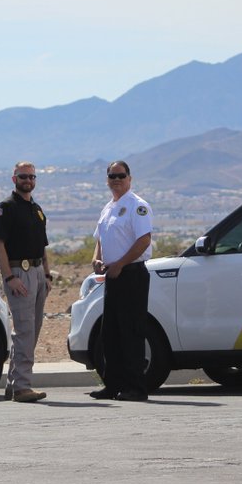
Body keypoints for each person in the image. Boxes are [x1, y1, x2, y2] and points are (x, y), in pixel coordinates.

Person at [89, 160, 153, 402]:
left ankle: (135, 387)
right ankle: (112, 384)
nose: (116, 180)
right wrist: (97, 258)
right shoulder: (108, 207)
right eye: (112, 176)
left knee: (131, 332)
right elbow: (100, 238)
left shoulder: (137, 206)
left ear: (129, 178)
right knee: (110, 334)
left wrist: (122, 264)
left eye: (121, 175)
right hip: (112, 275)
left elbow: (144, 240)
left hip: (131, 274)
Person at [0, 161, 53, 403]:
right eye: (23, 176)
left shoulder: (36, 209)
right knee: (25, 330)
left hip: (38, 272)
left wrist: (47, 275)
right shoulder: (5, 208)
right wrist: (9, 277)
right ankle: (23, 386)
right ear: (14, 178)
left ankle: (13, 383)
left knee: (32, 330)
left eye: (31, 177)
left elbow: (43, 246)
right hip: (19, 273)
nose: (28, 180)